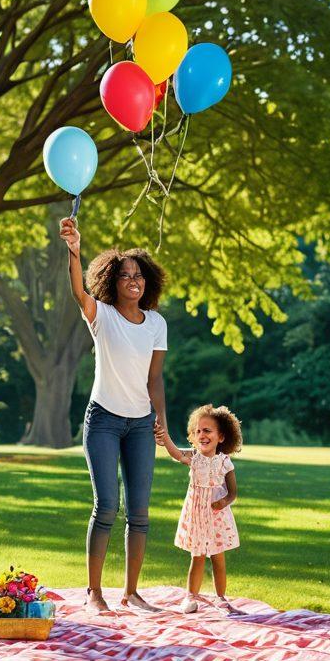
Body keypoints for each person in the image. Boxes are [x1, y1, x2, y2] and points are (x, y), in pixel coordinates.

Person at [61, 215, 169, 613]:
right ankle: (94, 593)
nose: (133, 281)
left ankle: (131, 592)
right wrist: (74, 252)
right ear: (112, 281)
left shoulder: (156, 323)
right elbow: (77, 291)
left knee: (139, 513)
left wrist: (163, 424)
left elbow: (155, 379)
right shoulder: (101, 316)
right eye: (125, 276)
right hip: (103, 421)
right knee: (106, 505)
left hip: (140, 425)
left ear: (148, 281)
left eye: (138, 275)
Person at [155, 404, 242, 614]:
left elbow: (233, 492)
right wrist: (164, 436)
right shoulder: (193, 457)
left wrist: (224, 502)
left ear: (221, 437)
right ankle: (190, 596)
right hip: (197, 513)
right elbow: (175, 453)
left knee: (218, 558)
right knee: (197, 556)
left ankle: (221, 598)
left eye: (207, 430)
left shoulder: (225, 463)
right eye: (198, 431)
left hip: (216, 516)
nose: (201, 435)